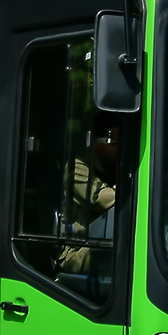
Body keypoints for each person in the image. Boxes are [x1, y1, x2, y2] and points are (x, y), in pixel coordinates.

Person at [56, 117, 120, 275]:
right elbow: (98, 199)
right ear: (98, 143)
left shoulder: (114, 165)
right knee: (129, 255)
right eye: (115, 144)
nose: (120, 149)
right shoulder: (75, 167)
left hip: (104, 241)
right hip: (76, 251)